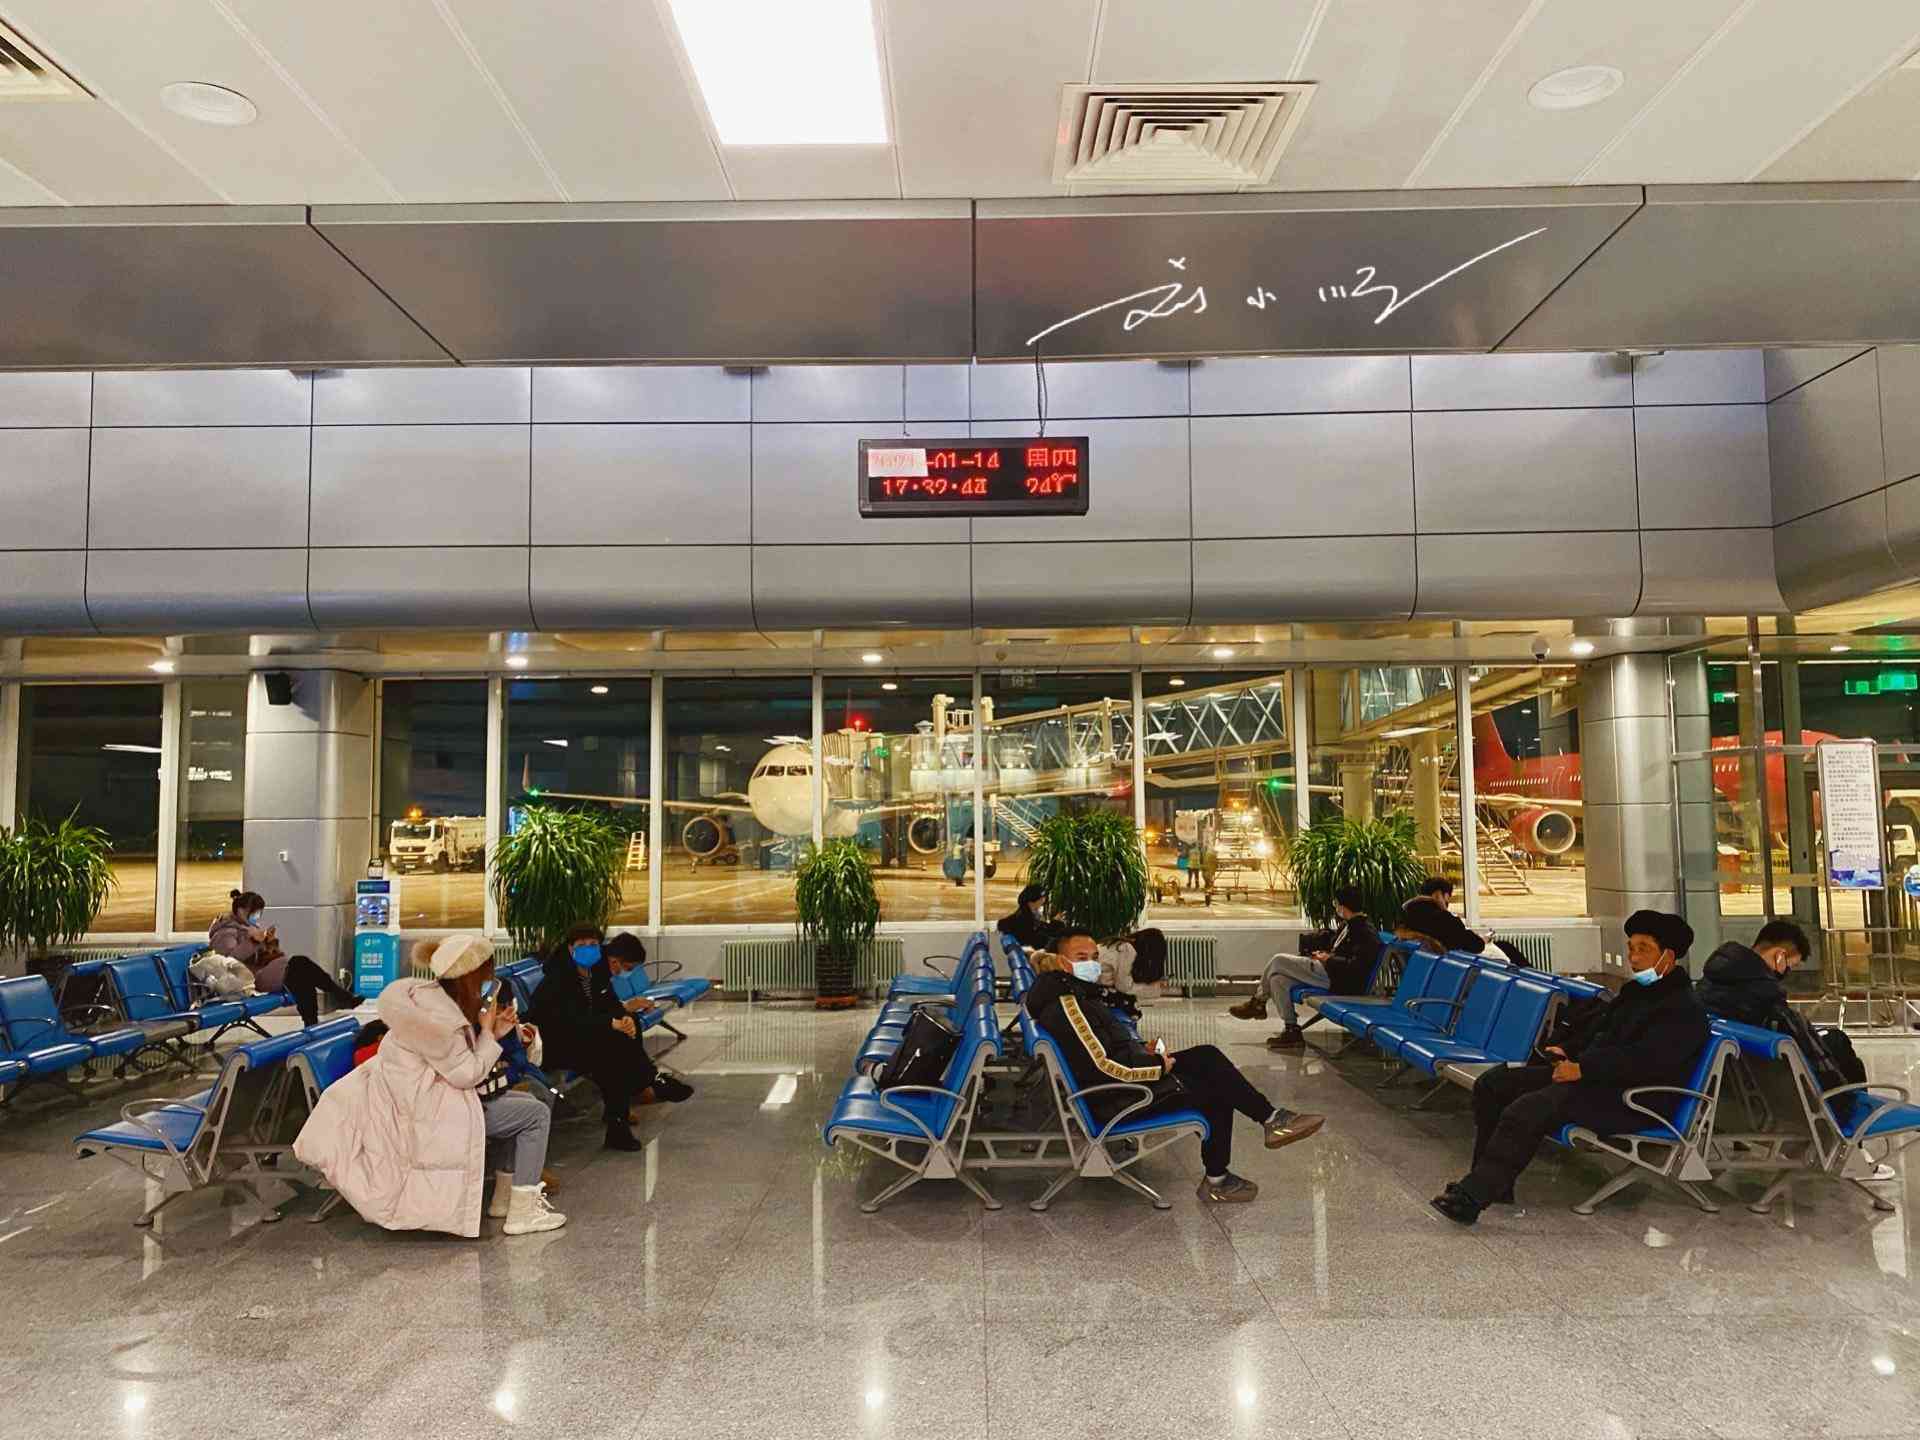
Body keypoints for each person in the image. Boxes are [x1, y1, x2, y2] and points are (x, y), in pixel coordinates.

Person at [1431, 910, 1710, 1226]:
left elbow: (1647, 1061)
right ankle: (1491, 1183)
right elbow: (1599, 1029)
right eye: (1631, 948)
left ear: (1668, 956)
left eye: (1643, 949)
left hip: (1636, 1098)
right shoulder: (1636, 994)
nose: (1633, 958)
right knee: (1494, 1084)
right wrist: (1568, 1049)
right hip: (1599, 1081)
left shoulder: (1683, 1009)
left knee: (1529, 1108)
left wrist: (1583, 1068)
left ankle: (1472, 1198)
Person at [293, 934, 566, 1237]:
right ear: (469, 976)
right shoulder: (439, 1021)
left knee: (526, 1106)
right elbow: (467, 1074)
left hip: (427, 1099)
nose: (490, 983)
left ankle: (504, 1201)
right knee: (535, 1115)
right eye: (486, 974)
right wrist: (489, 1033)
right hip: (426, 1113)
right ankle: (523, 1213)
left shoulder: (433, 1001)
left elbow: (457, 1065)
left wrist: (495, 1033)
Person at [1028, 930, 1325, 1202]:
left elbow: (1102, 1047)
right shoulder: (1068, 1005)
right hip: (1116, 1098)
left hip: (1120, 1084)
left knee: (1207, 1056)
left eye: (1094, 957)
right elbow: (1103, 1066)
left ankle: (1271, 1120)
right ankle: (1222, 1176)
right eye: (1081, 958)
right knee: (1215, 1090)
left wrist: (1140, 1051)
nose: (1092, 964)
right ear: (1062, 962)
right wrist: (1158, 1067)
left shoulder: (1075, 993)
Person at [530, 924, 691, 1152]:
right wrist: (610, 1023)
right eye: (582, 945)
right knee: (613, 1050)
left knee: (622, 1037)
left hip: (581, 1037)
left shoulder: (595, 973)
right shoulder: (559, 978)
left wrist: (623, 1019)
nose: (589, 949)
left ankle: (622, 1118)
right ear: (570, 949)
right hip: (553, 1044)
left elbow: (608, 1004)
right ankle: (646, 1084)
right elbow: (567, 1021)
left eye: (593, 944)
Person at [1698, 919, 1865, 1088]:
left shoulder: (1710, 981)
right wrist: (1841, 1092)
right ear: (1779, 956)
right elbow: (1804, 1044)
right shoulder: (1766, 994)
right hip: (1765, 1076)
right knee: (1837, 1040)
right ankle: (1856, 1100)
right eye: (1790, 966)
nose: (1787, 972)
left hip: (1732, 1070)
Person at [1227, 885, 1382, 1050]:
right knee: (1278, 980)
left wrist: (1329, 959)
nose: (1335, 908)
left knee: (1278, 960)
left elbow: (1356, 967)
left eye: (1336, 904)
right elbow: (1340, 951)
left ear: (1343, 906)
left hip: (1338, 979)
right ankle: (1291, 1030)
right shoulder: (1348, 925)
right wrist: (1324, 954)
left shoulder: (1365, 932)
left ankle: (1257, 1003)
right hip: (1328, 972)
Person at [208, 889, 361, 1026]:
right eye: (255, 912)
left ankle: (314, 1021)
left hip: (268, 970)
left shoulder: (249, 927)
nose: (257, 916)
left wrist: (269, 941)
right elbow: (228, 960)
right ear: (242, 911)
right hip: (250, 978)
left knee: (302, 976)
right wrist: (254, 941)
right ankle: (339, 998)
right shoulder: (225, 932)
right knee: (300, 965)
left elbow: (267, 953)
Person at [1395, 896, 1485, 956]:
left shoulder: (1408, 927)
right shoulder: (1445, 922)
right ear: (1441, 895)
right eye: (1448, 896)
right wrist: (1445, 911)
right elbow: (1478, 946)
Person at [997, 884, 1063, 952]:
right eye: (1042, 898)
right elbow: (1036, 937)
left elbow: (1041, 928)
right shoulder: (1024, 918)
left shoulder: (1028, 913)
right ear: (1031, 901)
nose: (1044, 900)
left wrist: (1055, 922)